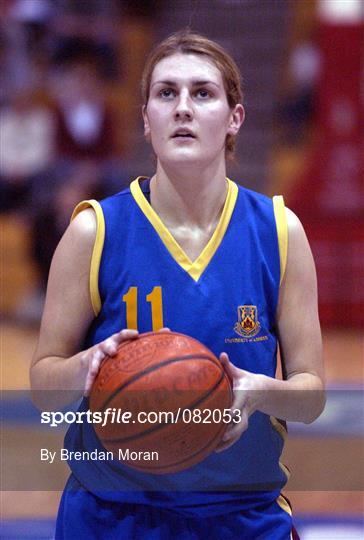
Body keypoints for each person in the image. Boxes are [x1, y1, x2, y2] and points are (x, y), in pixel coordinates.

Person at [30, 30, 325, 540]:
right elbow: (41, 386)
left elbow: (312, 395)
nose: (183, 107)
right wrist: (84, 368)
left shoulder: (279, 232)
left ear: (235, 118)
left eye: (203, 93)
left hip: (240, 517)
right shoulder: (93, 232)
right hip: (113, 517)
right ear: (146, 119)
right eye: (166, 93)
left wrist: (262, 392)